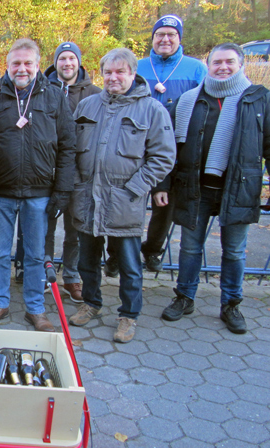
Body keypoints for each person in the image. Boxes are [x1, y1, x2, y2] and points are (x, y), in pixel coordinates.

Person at [160, 43, 270, 335]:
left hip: (238, 188)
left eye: (229, 62)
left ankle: (231, 304)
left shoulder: (258, 99)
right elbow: (168, 147)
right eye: (216, 62)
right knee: (190, 247)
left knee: (234, 251)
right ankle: (185, 297)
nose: (222, 67)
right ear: (208, 66)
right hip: (194, 187)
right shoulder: (189, 100)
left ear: (241, 64)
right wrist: (163, 183)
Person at [68, 48, 176, 343]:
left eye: (120, 72)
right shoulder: (87, 106)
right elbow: (70, 150)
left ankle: (129, 315)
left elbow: (163, 157)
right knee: (86, 259)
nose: (113, 78)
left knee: (129, 263)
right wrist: (77, 183)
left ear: (132, 73)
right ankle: (90, 303)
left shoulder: (152, 110)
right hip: (87, 197)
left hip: (124, 200)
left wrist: (136, 188)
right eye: (108, 72)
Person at [0, 39, 75, 331]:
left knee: (35, 254)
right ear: (6, 66)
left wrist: (62, 191)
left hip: (40, 193)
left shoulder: (55, 97)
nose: (21, 69)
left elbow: (68, 147)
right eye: (16, 63)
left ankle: (35, 309)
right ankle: (0, 303)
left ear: (37, 64)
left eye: (27, 63)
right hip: (0, 192)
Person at [105, 15, 206, 275]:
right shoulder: (136, 66)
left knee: (163, 204)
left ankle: (152, 250)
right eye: (160, 34)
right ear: (153, 37)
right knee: (122, 202)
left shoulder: (195, 69)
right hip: (130, 145)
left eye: (171, 34)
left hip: (173, 146)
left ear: (180, 38)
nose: (165, 39)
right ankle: (115, 255)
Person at [41, 42, 102, 303]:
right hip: (45, 171)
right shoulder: (41, 89)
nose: (67, 63)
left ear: (79, 62)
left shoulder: (95, 94)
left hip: (80, 173)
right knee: (45, 227)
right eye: (62, 59)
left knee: (75, 229)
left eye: (71, 58)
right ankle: (45, 273)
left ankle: (73, 277)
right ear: (55, 62)